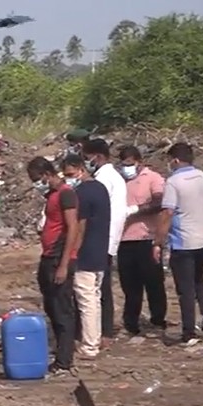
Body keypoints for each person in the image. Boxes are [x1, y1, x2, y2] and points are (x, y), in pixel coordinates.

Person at [155, 142, 203, 344]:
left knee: (185, 289)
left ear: (175, 160)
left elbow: (168, 212)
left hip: (183, 241)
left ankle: (189, 331)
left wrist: (158, 241)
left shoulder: (174, 182)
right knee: (198, 280)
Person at [26, 157, 80, 375]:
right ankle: (60, 351)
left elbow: (72, 228)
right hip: (49, 256)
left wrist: (64, 265)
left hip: (59, 258)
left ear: (47, 175)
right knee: (51, 306)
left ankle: (65, 359)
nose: (36, 183)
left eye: (37, 179)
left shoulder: (66, 194)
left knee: (62, 309)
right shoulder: (53, 195)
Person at [62, 154, 111, 361]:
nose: (68, 179)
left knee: (86, 300)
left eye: (70, 174)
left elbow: (79, 227)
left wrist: (73, 253)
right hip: (100, 250)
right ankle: (94, 339)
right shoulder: (100, 188)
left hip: (86, 253)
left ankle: (90, 346)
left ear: (80, 169)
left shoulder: (80, 193)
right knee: (94, 298)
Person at [81, 138, 127, 348]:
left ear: (97, 157)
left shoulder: (106, 179)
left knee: (100, 289)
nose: (85, 162)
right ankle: (100, 330)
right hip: (107, 239)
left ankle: (104, 331)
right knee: (100, 288)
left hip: (102, 239)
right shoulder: (111, 177)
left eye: (86, 157)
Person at [117, 146, 167, 335]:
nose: (126, 168)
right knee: (130, 285)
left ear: (139, 161)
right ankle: (131, 322)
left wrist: (136, 210)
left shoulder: (152, 178)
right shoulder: (121, 181)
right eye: (123, 164)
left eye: (130, 164)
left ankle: (158, 319)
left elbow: (159, 202)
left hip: (146, 238)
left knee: (153, 282)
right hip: (124, 239)